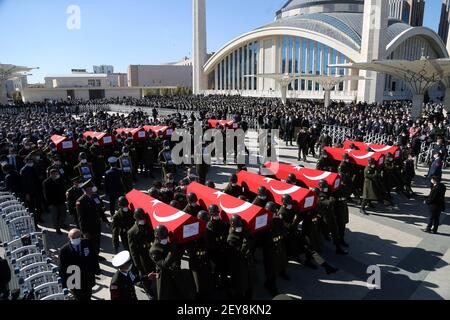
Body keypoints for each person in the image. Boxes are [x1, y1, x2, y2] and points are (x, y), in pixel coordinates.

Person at [150, 225, 194, 300]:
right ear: (157, 237)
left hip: (175, 271)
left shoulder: (168, 242)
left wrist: (180, 245)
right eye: (163, 237)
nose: (165, 239)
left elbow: (178, 255)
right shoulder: (154, 250)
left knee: (181, 290)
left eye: (166, 237)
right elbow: (164, 264)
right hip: (165, 275)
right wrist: (172, 251)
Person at [76, 179, 109, 264]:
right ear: (86, 189)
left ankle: (96, 255)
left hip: (96, 224)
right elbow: (81, 218)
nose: (92, 189)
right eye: (90, 188)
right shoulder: (81, 201)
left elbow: (100, 210)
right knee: (90, 244)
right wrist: (84, 231)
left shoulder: (95, 197)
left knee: (97, 241)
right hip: (88, 227)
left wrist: (105, 220)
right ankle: (92, 260)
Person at [58, 229, 98, 300]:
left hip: (87, 277)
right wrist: (64, 284)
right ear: (69, 238)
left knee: (87, 296)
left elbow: (94, 257)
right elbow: (62, 268)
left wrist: (97, 269)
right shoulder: (64, 250)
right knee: (79, 297)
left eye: (78, 237)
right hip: (74, 279)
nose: (76, 239)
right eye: (73, 238)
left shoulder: (87, 243)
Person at [127, 208, 155, 297]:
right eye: (140, 219)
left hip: (150, 253)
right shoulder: (132, 232)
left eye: (143, 218)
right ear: (136, 219)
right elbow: (133, 250)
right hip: (142, 256)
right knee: (144, 273)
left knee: (152, 269)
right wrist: (137, 264)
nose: (143, 220)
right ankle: (147, 290)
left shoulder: (147, 225)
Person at [227, 214, 255, 300]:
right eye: (238, 226)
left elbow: (252, 241)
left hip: (246, 262)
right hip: (239, 265)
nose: (240, 228)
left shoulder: (242, 232)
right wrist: (245, 243)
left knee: (249, 282)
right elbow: (238, 253)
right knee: (240, 284)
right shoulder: (231, 239)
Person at [43, 169, 67, 235]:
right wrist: (49, 203)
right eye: (55, 174)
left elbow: (63, 189)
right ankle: (57, 229)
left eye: (57, 174)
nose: (56, 175)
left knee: (63, 214)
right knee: (55, 216)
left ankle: (61, 224)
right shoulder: (46, 182)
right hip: (53, 202)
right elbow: (46, 194)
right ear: (51, 174)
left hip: (61, 200)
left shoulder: (60, 180)